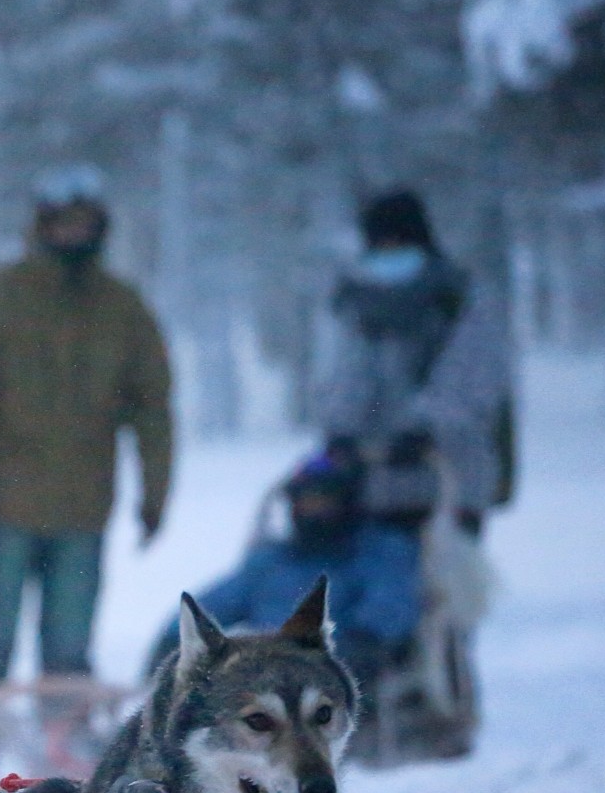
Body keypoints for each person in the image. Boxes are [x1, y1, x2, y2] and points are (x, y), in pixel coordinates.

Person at [0, 166, 173, 683]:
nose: (73, 234)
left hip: (83, 509)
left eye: (83, 223)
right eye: (62, 223)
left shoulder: (123, 308)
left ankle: (58, 756)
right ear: (42, 226)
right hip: (0, 507)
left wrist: (156, 494)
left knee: (69, 655)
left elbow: (153, 407)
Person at [147, 451, 419, 692]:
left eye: (324, 501)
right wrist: (178, 640)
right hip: (262, 672)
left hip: (340, 666)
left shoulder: (379, 553)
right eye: (306, 502)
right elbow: (217, 603)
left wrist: (361, 645)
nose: (313, 511)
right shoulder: (271, 562)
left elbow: (391, 604)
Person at [324, 189, 512, 532]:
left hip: (448, 479)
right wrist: (342, 431)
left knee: (436, 579)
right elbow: (350, 377)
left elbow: (472, 381)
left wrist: (421, 429)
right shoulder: (360, 307)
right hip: (369, 487)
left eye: (399, 244)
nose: (389, 253)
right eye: (380, 245)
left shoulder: (459, 299)